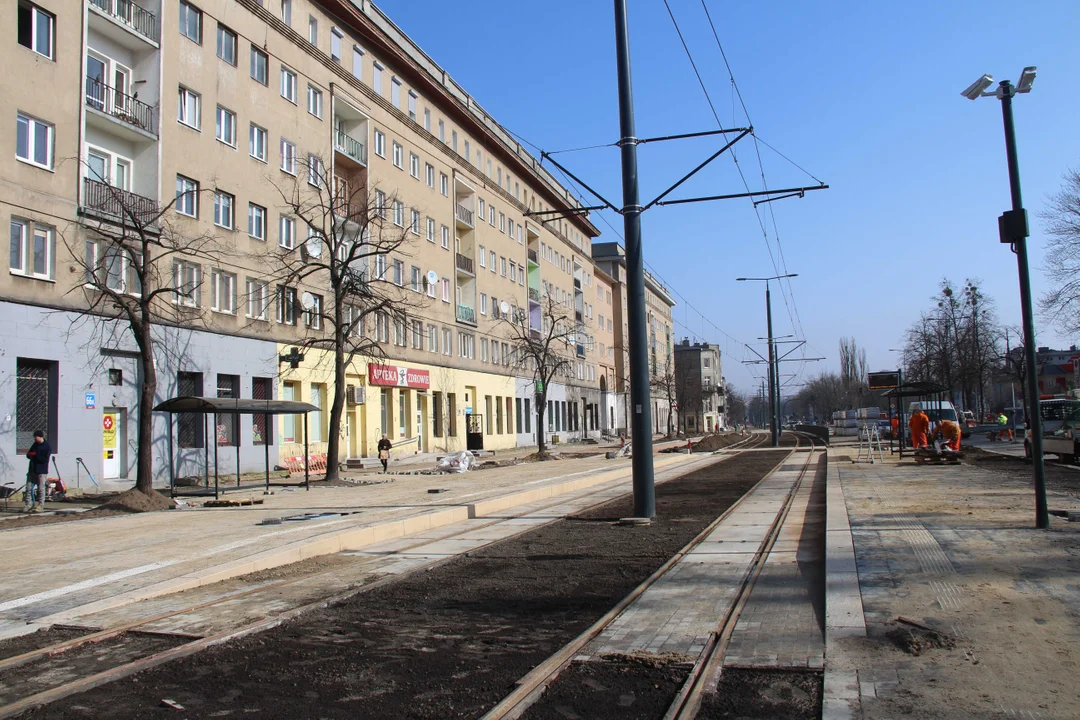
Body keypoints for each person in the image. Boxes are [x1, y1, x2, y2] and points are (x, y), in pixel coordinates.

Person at [25, 430, 51, 513]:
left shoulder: (47, 447)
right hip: (32, 470)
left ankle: (40, 505)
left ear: (40, 437)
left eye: (35, 437)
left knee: (40, 488)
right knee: (28, 488)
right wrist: (30, 455)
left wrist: (35, 455)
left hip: (41, 470)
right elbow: (29, 454)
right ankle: (28, 504)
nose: (34, 438)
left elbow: (44, 459)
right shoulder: (35, 445)